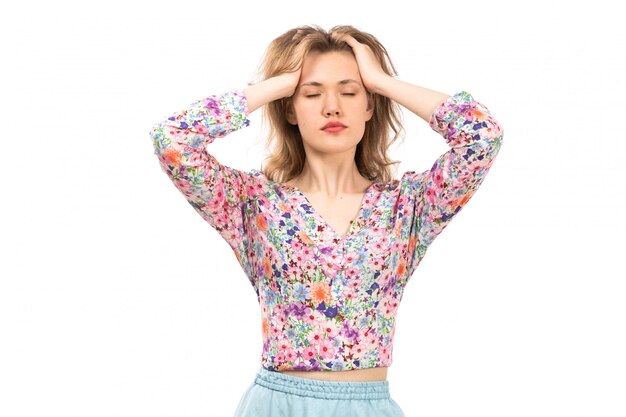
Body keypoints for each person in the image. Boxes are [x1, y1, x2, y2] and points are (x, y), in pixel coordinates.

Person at [149, 24, 503, 417]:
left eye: (350, 92)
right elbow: (173, 140)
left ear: (370, 106)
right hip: (276, 405)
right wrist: (281, 81)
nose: (332, 107)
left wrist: (382, 81)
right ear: (289, 107)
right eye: (312, 93)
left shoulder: (408, 207)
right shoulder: (252, 204)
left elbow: (482, 137)